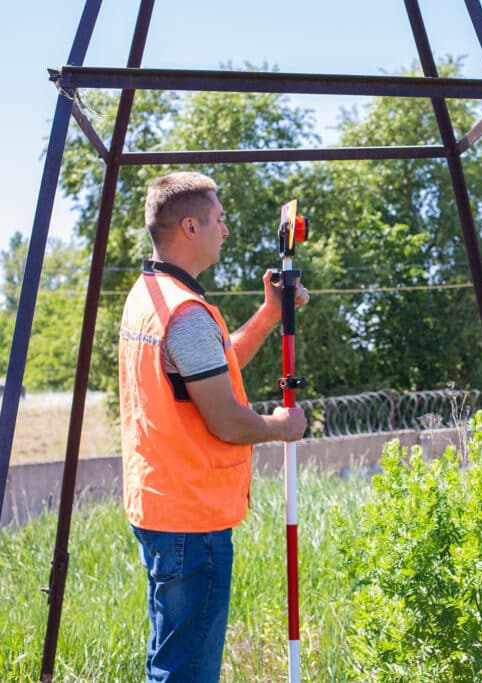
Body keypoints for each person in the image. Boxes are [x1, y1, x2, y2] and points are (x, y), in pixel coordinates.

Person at [118, 171, 308, 682]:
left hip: (159, 502)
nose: (226, 230)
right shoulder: (185, 315)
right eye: (218, 220)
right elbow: (224, 419)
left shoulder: (151, 295)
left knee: (169, 660)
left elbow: (213, 371)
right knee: (188, 672)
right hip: (190, 519)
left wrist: (269, 315)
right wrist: (280, 425)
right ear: (190, 227)